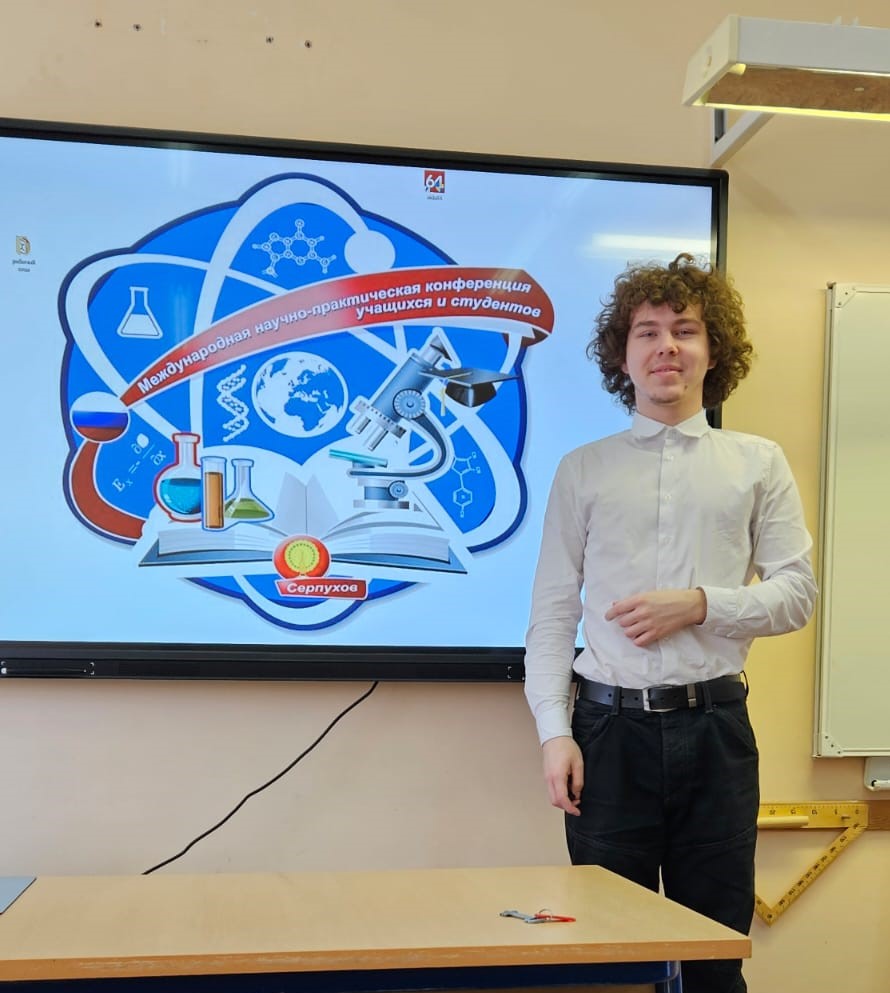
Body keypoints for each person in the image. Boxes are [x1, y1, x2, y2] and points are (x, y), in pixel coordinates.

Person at [523, 254, 816, 993]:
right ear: (622, 356)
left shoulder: (758, 463)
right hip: (606, 734)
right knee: (606, 955)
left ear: (714, 351)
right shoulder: (582, 469)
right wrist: (554, 733)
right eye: (647, 331)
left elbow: (798, 594)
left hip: (715, 731)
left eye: (685, 330)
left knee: (713, 955)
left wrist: (702, 603)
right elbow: (552, 615)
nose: (667, 346)